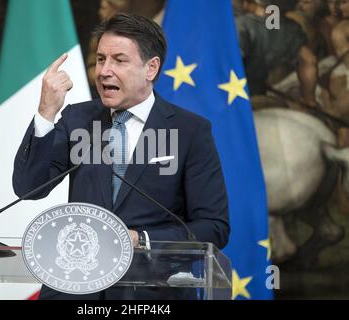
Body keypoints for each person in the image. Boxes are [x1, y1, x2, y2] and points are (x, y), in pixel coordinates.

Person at [13, 13, 229, 300]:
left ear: (151, 68)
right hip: (75, 291)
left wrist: (141, 240)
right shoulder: (77, 119)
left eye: (119, 60)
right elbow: (28, 188)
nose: (104, 70)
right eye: (101, 59)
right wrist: (46, 113)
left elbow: (214, 227)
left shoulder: (189, 131)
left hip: (149, 295)